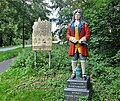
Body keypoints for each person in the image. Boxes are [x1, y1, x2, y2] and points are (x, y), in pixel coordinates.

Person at [66, 9, 90, 80]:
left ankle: (84, 74)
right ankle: (73, 73)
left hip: (81, 45)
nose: (77, 16)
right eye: (76, 15)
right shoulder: (70, 25)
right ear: (74, 16)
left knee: (83, 59)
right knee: (74, 59)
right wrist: (71, 38)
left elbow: (88, 34)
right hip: (73, 45)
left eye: (78, 15)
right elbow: (67, 34)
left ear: (81, 16)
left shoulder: (84, 25)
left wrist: (83, 39)